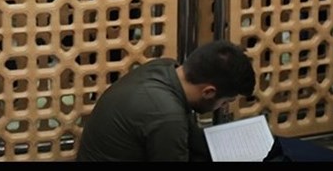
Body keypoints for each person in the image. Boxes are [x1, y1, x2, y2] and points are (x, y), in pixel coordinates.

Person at [76, 40, 256, 162]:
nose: (223, 107)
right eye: (225, 102)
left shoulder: (164, 67)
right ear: (208, 92)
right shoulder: (167, 117)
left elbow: (190, 137)